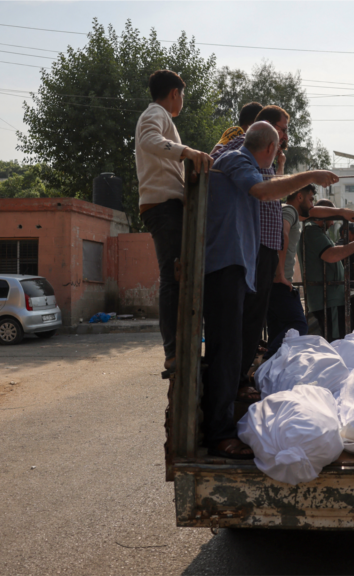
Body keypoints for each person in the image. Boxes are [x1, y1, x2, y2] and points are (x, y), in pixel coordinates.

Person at [204, 122, 339, 459]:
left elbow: (269, 185)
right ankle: (218, 434)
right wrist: (309, 175)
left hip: (235, 266)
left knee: (234, 346)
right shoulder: (237, 160)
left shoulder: (250, 166)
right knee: (225, 348)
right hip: (223, 265)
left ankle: (222, 427)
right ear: (269, 148)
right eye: (277, 150)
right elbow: (264, 191)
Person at [135, 69, 214, 372]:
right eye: (182, 94)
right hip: (162, 206)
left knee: (180, 277)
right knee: (172, 276)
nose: (182, 100)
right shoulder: (154, 113)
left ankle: (181, 346)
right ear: (173, 93)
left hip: (167, 205)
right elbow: (148, 140)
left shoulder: (160, 115)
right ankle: (172, 352)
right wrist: (188, 152)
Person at [211, 105, 290, 401]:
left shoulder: (267, 158)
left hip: (266, 244)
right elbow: (216, 161)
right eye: (282, 129)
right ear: (265, 130)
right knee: (237, 322)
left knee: (255, 319)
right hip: (247, 246)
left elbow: (273, 191)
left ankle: (240, 377)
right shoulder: (238, 147)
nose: (285, 136)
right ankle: (230, 386)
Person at [265, 185, 354, 358]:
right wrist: (280, 275)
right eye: (310, 199)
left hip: (273, 281)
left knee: (278, 327)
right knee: (298, 325)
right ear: (299, 197)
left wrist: (341, 211)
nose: (312, 205)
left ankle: (269, 365)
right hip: (279, 281)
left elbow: (316, 211)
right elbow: (283, 234)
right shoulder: (290, 212)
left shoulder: (293, 213)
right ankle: (267, 359)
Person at [301, 199, 354, 341]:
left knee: (336, 340)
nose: (333, 223)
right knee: (334, 342)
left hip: (330, 299)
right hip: (327, 300)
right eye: (332, 218)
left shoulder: (316, 231)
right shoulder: (311, 230)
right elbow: (330, 255)